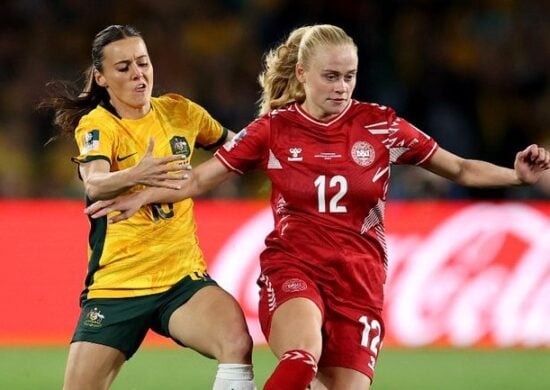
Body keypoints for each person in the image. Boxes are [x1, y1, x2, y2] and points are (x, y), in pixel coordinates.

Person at [84, 24, 550, 389]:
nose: (341, 87)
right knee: (300, 357)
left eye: (349, 76)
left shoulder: (382, 127)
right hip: (295, 266)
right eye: (330, 76)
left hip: (359, 280)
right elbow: (200, 179)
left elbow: (462, 170)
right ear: (303, 75)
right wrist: (145, 192)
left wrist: (515, 175)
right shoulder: (272, 129)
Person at [40, 25, 256, 390]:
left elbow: (239, 151)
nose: (138, 74)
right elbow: (95, 182)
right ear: (101, 77)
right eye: (123, 67)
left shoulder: (180, 112)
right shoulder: (99, 125)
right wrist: (137, 173)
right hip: (117, 287)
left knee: (236, 342)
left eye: (143, 62)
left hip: (180, 279)